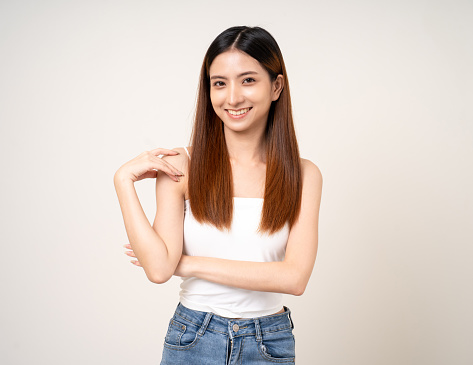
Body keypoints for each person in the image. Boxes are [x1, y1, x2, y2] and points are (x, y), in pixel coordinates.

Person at [114, 25, 323, 364]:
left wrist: (185, 263)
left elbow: (294, 277)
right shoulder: (181, 165)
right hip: (194, 335)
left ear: (276, 87)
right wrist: (122, 180)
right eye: (220, 83)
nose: (233, 97)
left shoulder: (303, 175)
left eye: (248, 80)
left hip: (270, 341)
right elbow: (157, 271)